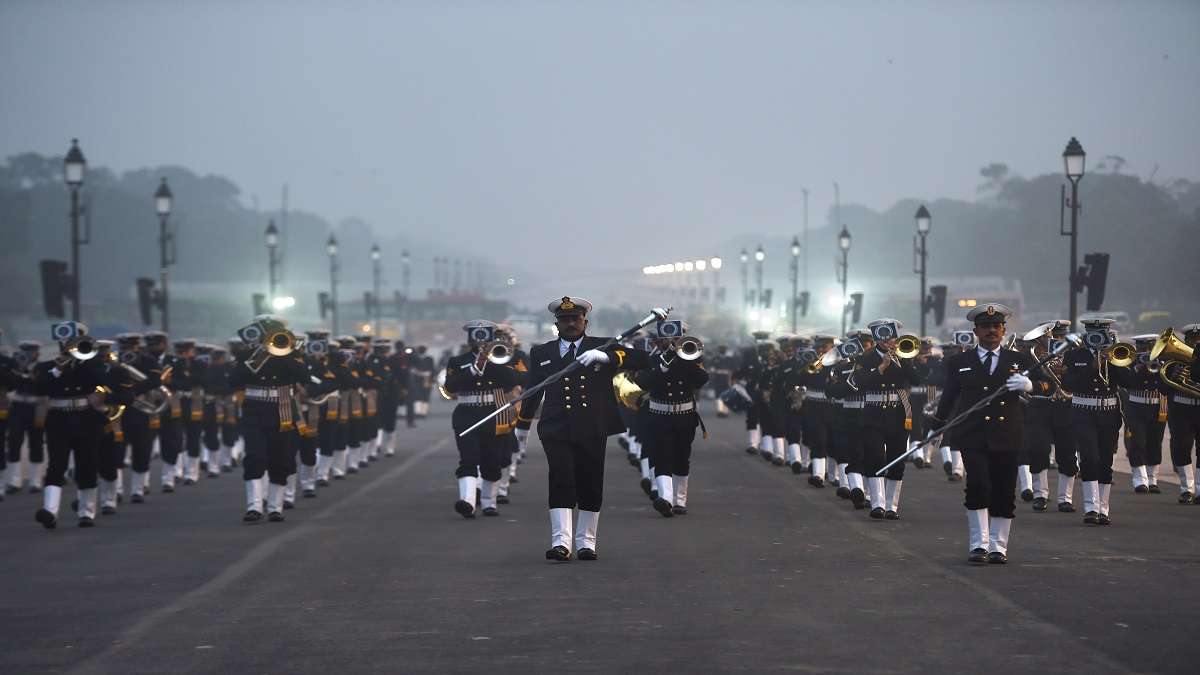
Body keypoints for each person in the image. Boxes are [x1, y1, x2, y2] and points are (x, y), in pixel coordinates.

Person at [519, 297, 651, 561]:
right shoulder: (541, 352)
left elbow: (643, 359)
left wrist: (608, 356)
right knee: (561, 479)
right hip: (556, 427)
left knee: (590, 482)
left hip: (593, 425)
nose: (570, 323)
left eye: (575, 319)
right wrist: (522, 427)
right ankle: (561, 543)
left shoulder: (602, 346)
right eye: (564, 320)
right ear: (556, 324)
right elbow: (533, 390)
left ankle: (586, 542)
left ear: (584, 322)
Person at [929, 304, 1047, 564]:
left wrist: (1030, 384)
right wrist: (936, 424)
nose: (991, 330)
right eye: (986, 327)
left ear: (1004, 330)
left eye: (996, 326)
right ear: (976, 331)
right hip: (973, 433)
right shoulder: (959, 362)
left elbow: (1048, 385)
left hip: (1008, 433)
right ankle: (979, 544)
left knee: (1004, 489)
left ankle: (998, 546)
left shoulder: (1020, 361)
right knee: (979, 485)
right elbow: (949, 396)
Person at [33, 323, 131, 529]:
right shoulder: (46, 367)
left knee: (86, 463)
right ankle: (50, 511)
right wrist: (57, 370)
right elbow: (39, 388)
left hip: (86, 419)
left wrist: (87, 362)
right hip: (58, 419)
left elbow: (110, 380)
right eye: (66, 341)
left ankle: (86, 512)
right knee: (56, 465)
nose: (70, 345)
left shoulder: (93, 366)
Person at [442, 320, 523, 518]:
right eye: (476, 335)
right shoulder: (457, 361)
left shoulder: (501, 357)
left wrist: (490, 361)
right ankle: (468, 502)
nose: (479, 339)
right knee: (468, 459)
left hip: (494, 413)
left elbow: (514, 381)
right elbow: (450, 387)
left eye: (483, 335)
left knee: (492, 461)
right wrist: (474, 368)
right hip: (466, 414)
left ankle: (489, 502)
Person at [1060, 317, 1134, 525]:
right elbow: (1068, 384)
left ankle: (1103, 509)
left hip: (1108, 414)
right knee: (1089, 458)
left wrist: (1115, 360)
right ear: (1086, 334)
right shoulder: (1074, 355)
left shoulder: (1115, 356)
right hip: (1083, 413)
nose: (1096, 337)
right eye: (1093, 333)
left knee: (1105, 461)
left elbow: (1130, 383)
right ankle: (1091, 508)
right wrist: (1092, 367)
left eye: (1101, 333)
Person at [634, 320, 708, 517]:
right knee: (662, 457)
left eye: (678, 337)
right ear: (659, 341)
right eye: (671, 338)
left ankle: (679, 500)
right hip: (659, 416)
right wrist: (664, 365)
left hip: (684, 416)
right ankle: (665, 499)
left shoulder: (691, 358)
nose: (675, 341)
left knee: (682, 457)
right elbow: (642, 382)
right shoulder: (651, 359)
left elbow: (702, 380)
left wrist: (684, 360)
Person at [850, 319, 920, 520]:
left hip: (898, 412)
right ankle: (877, 503)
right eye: (884, 337)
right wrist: (881, 368)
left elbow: (917, 380)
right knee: (875, 456)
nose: (888, 341)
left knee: (897, 459)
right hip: (873, 412)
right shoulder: (865, 358)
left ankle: (891, 506)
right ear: (877, 338)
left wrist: (903, 360)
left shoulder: (904, 356)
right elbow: (858, 383)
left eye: (891, 337)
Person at [1124, 334, 1167, 494]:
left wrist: (1161, 369)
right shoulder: (1130, 362)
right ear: (1137, 349)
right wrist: (1138, 369)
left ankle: (1153, 480)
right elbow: (1127, 383)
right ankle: (1139, 480)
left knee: (1155, 443)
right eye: (1143, 348)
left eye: (1150, 348)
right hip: (1136, 406)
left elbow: (1166, 385)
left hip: (1158, 406)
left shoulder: (1162, 361)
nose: (1147, 352)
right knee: (1138, 443)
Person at [1166, 324, 1200, 503]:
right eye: (1192, 340)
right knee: (1181, 448)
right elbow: (1163, 387)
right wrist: (1173, 376)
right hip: (1181, 409)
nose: (1195, 343)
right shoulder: (1174, 359)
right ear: (1185, 341)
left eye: (1198, 340)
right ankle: (1187, 489)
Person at [6, 340, 45, 494]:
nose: (28, 355)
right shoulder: (14, 367)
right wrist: (20, 369)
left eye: (32, 352)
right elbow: (10, 384)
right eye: (26, 352)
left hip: (36, 408)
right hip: (17, 407)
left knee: (36, 442)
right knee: (14, 441)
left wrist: (28, 372)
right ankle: (14, 480)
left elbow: (41, 386)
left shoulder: (42, 368)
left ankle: (36, 480)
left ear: (37, 353)